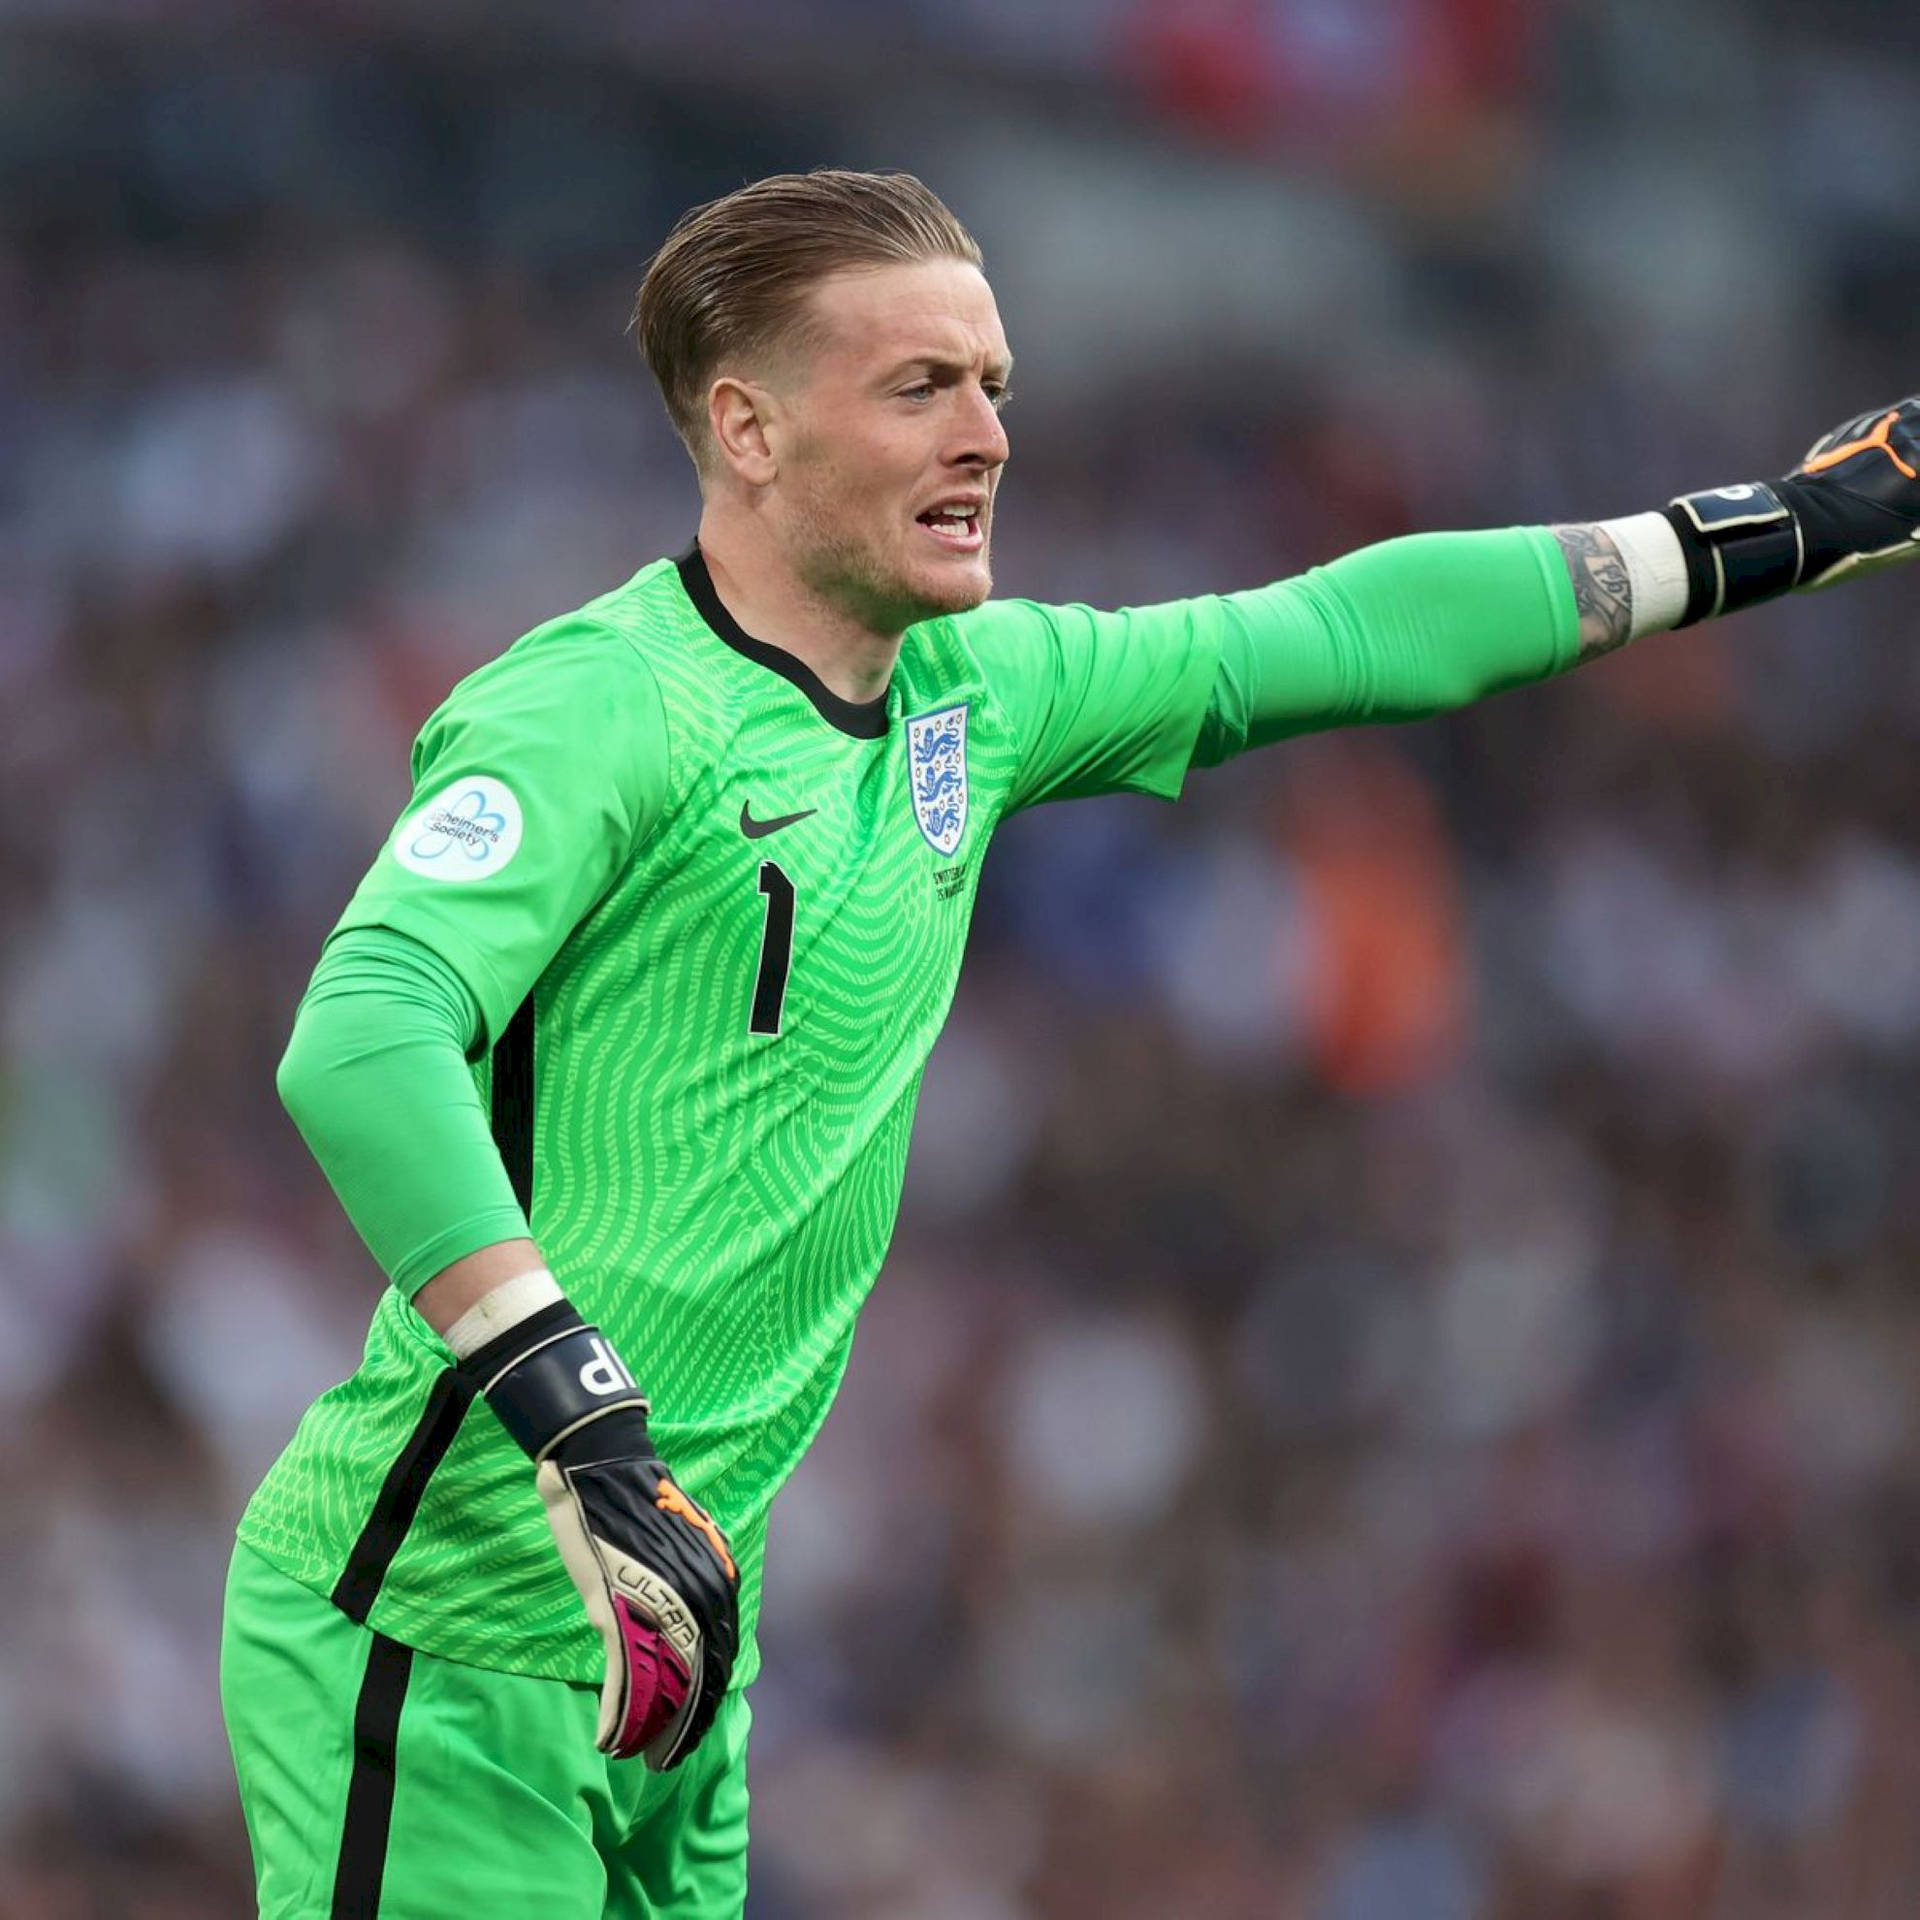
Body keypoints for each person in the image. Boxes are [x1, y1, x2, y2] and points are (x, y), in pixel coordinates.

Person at [218, 166, 1920, 1918]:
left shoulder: (980, 694)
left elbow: (1340, 631)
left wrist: (1781, 525)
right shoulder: (595, 707)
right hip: (439, 1638)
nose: (987, 438)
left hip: (671, 1645)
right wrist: (582, 1420)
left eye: (996, 387)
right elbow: (359, 1037)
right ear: (747, 428)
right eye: (920, 389)